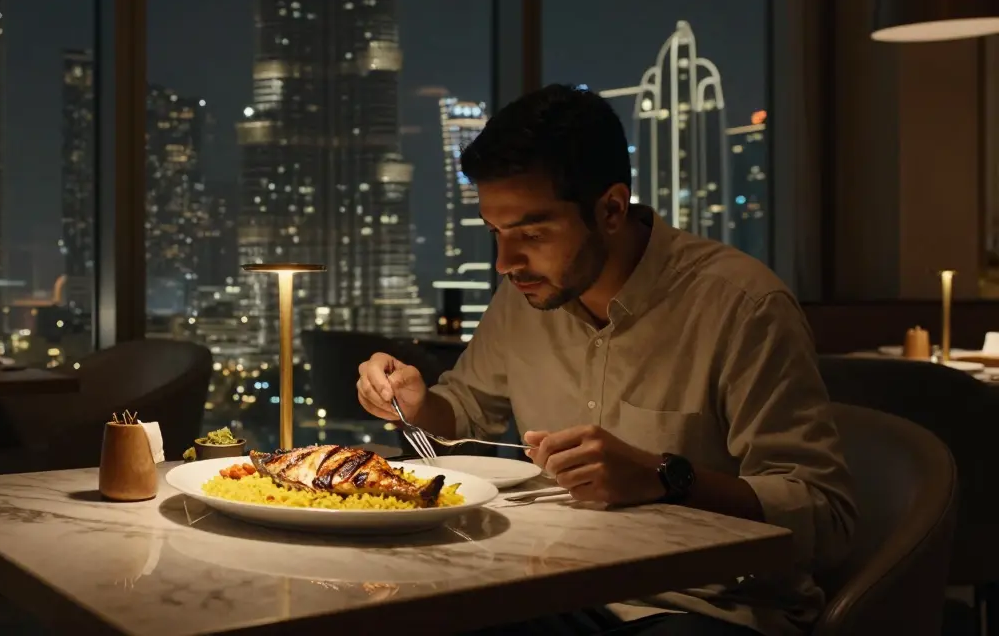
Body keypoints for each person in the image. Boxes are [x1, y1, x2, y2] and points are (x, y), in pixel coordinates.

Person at [356, 85, 857, 636]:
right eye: (495, 233)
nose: (504, 262)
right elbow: (467, 412)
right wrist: (418, 404)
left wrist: (665, 478)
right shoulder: (527, 295)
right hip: (553, 584)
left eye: (533, 233)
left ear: (612, 209)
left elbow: (826, 517)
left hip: (707, 609)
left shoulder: (742, 306)